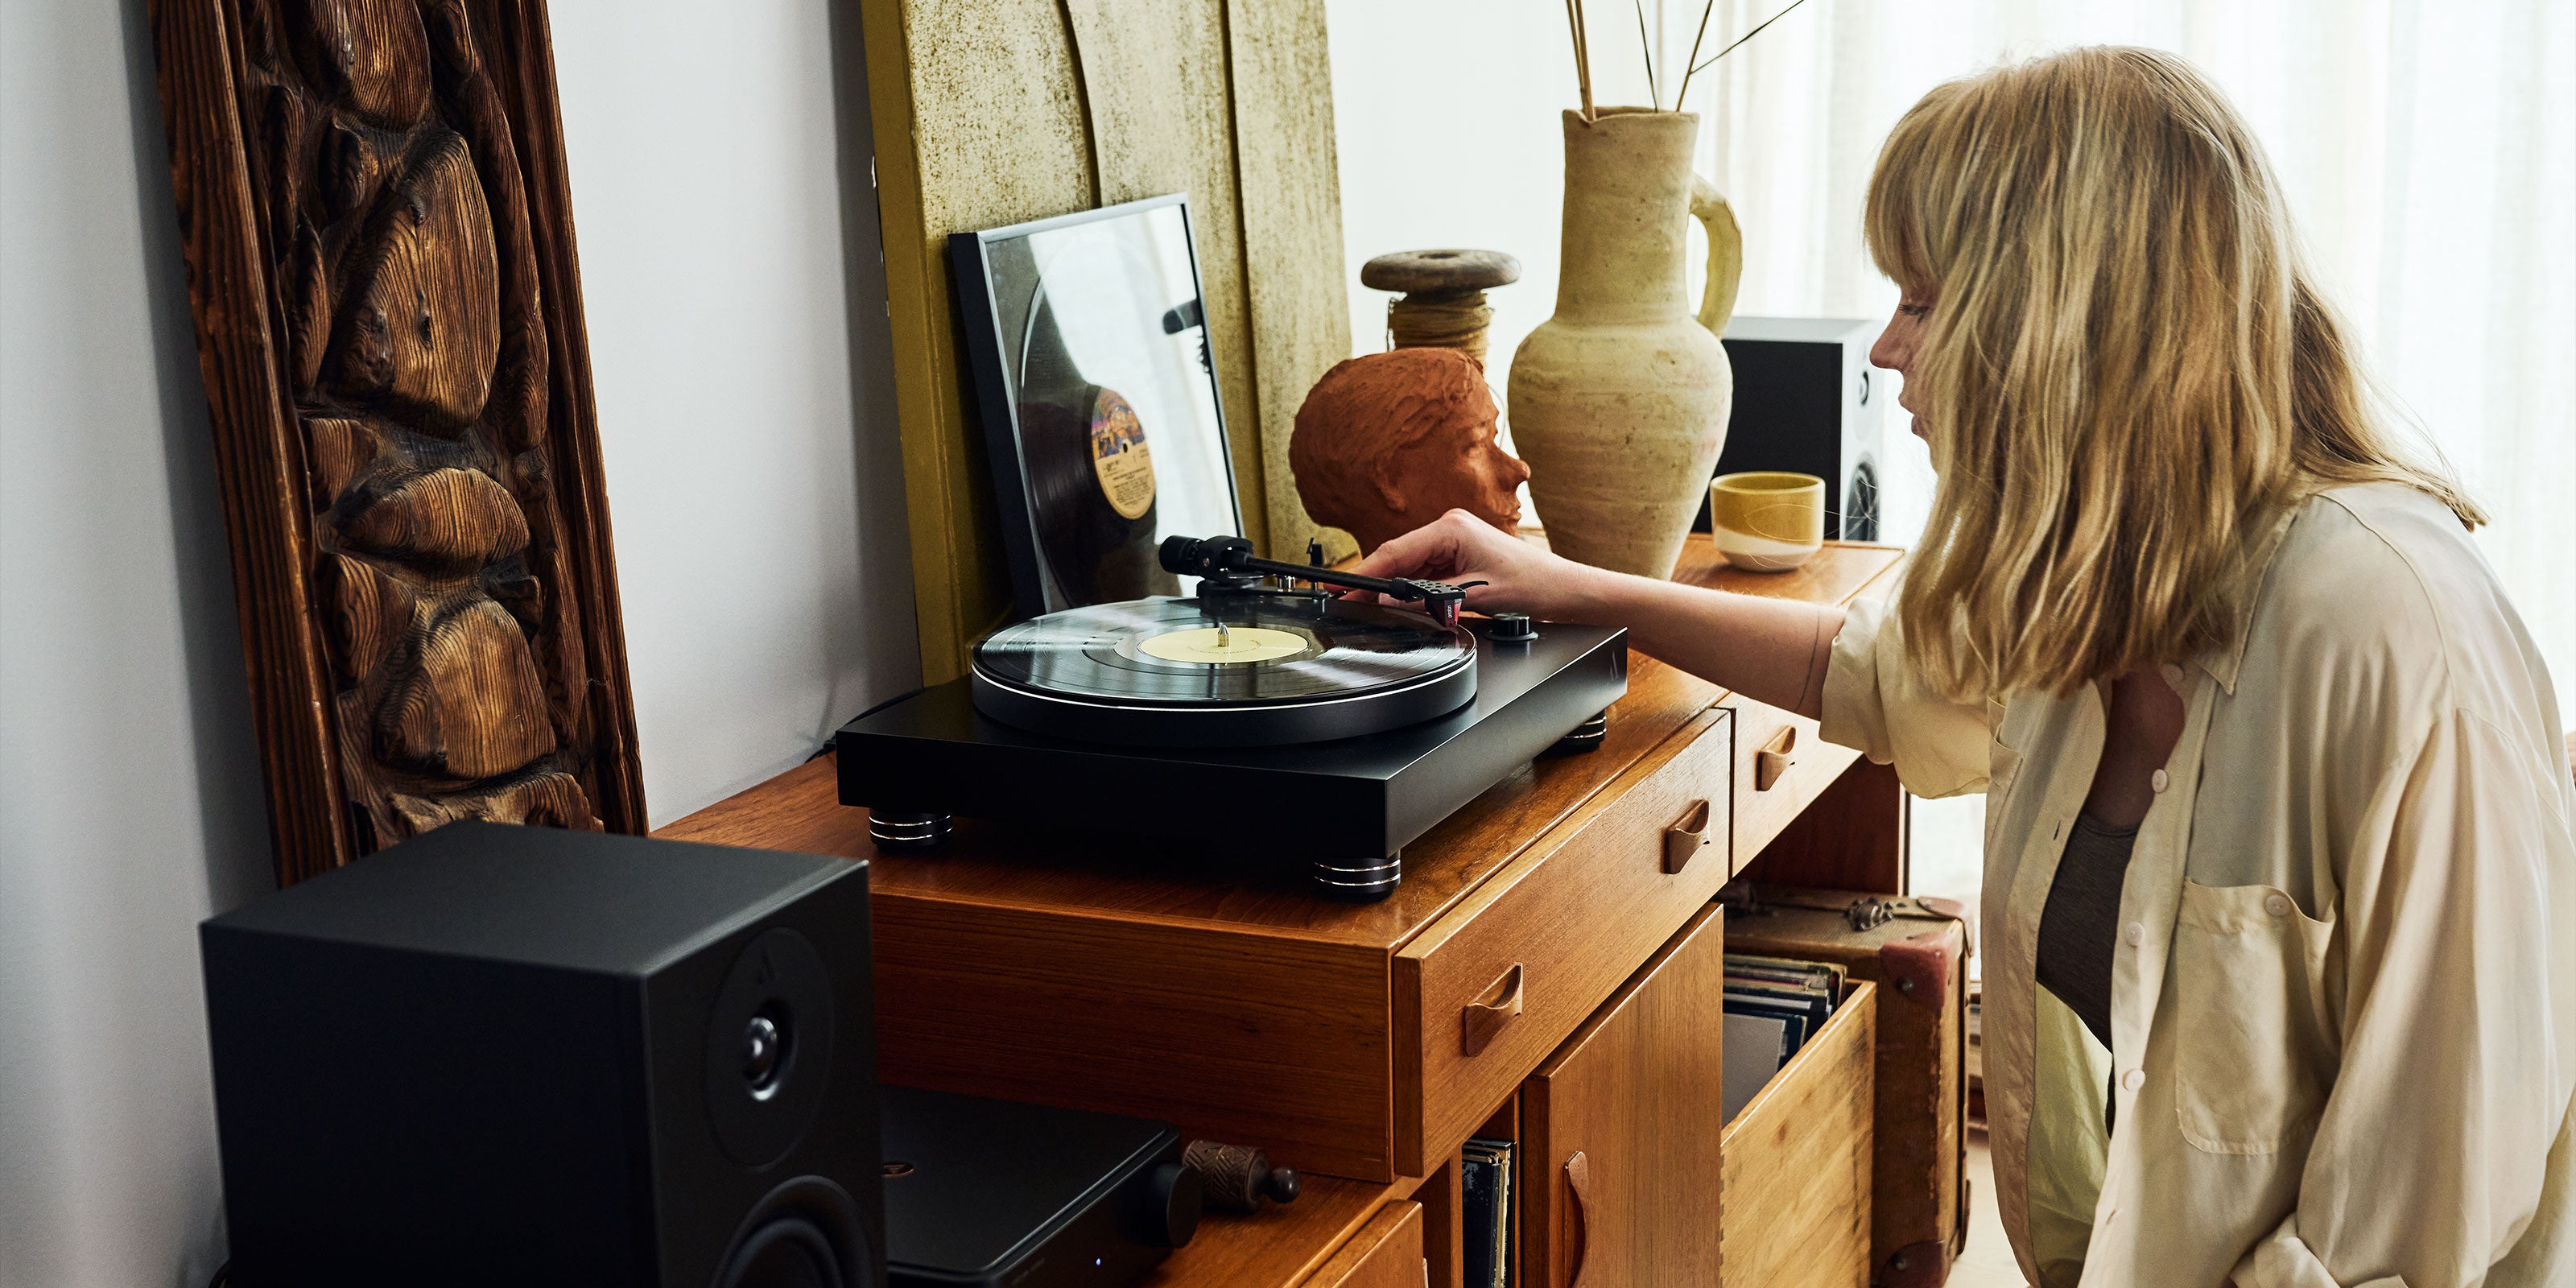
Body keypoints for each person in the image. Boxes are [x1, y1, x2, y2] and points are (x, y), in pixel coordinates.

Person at [1352, 47, 2574, 1288]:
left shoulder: (2393, 628)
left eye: (1925, 302)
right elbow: (1876, 677)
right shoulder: (2100, 573)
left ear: (2069, 325)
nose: (1886, 348)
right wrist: (1570, 587)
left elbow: (2429, 1225)